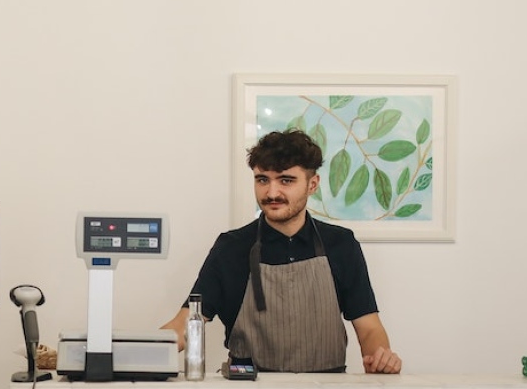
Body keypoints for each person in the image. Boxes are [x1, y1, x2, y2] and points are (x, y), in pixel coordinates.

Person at [161, 129, 402, 374]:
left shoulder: (341, 244)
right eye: (262, 180)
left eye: (286, 180)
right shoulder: (231, 247)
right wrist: (141, 350)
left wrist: (380, 359)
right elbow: (187, 322)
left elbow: (369, 327)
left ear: (312, 184)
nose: (272, 193)